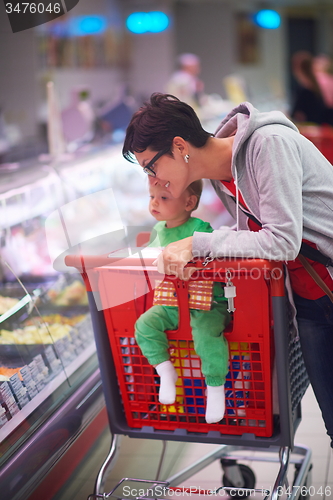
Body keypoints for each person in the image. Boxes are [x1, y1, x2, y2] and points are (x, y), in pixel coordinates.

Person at [122, 93, 333, 447]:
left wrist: (199, 245)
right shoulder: (225, 176)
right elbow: (255, 236)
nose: (152, 178)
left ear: (179, 146)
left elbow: (281, 241)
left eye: (150, 165)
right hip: (312, 300)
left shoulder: (269, 145)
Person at [135, 180, 230, 424]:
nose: (154, 202)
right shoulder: (156, 231)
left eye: (164, 197)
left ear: (189, 202)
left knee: (207, 336)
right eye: (152, 196)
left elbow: (217, 252)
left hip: (206, 302)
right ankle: (166, 371)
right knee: (144, 325)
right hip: (170, 302)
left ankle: (216, 389)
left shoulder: (201, 229)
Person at [290, 51, 333, 125]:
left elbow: (296, 114)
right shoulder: (318, 83)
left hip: (312, 128)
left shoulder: (305, 88)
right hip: (325, 125)